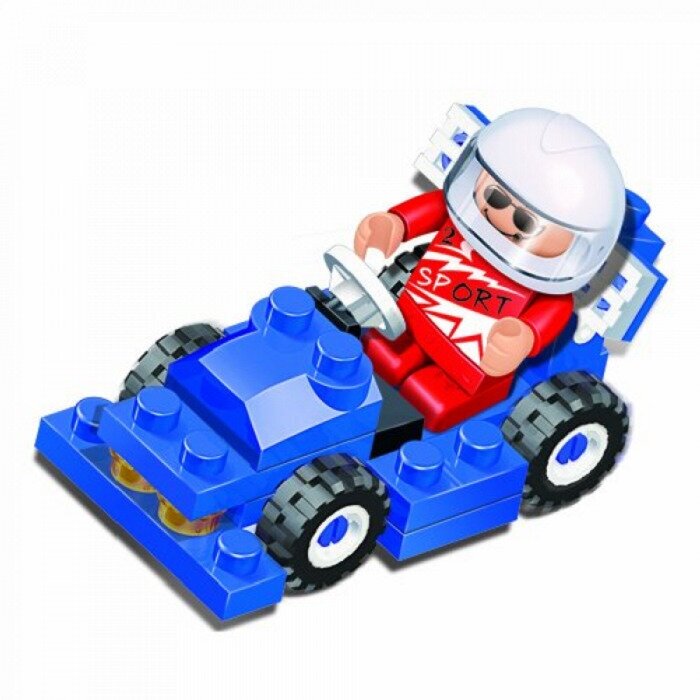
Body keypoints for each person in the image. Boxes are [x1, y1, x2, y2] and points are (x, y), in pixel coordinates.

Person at [354, 108, 626, 431]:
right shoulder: (461, 221)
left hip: (467, 371)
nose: (504, 218)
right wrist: (393, 224)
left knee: (425, 399)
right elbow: (428, 211)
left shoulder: (549, 291)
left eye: (526, 222)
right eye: (496, 198)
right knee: (379, 354)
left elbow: (546, 317)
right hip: (409, 325)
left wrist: (522, 339)